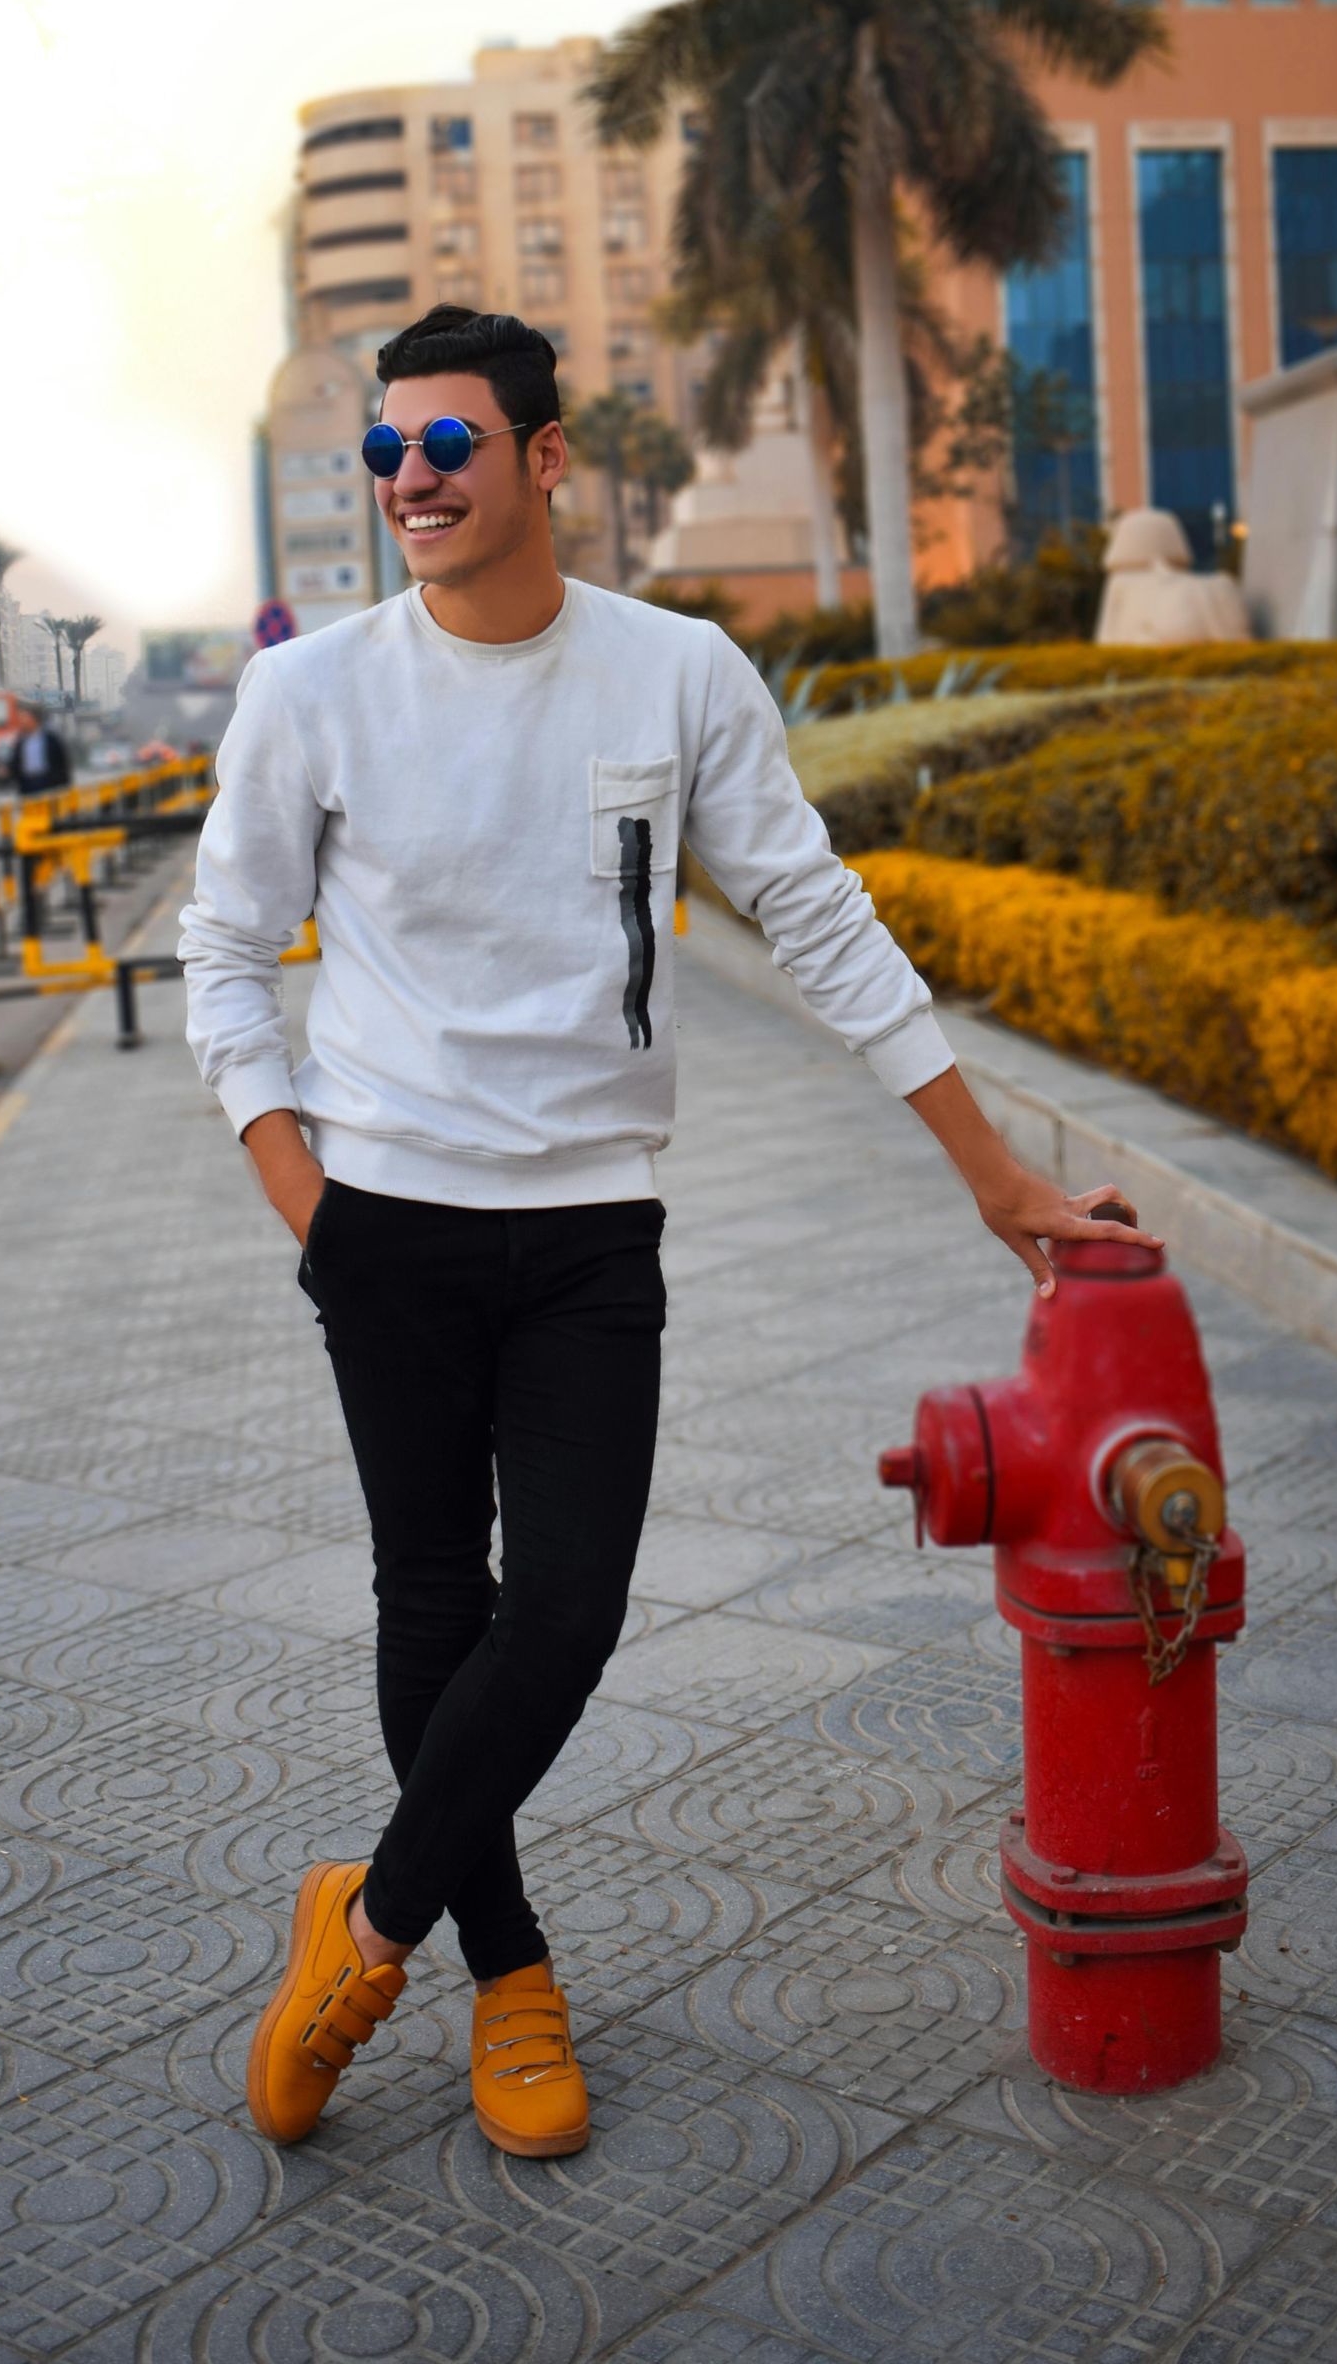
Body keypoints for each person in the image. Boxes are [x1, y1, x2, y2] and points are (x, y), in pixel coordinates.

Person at [177, 304, 1157, 2160]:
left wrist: (995, 1173)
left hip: (586, 1232)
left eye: (450, 446)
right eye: (387, 453)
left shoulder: (678, 673)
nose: (412, 481)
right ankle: (508, 1973)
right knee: (430, 1604)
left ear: (549, 461)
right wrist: (302, 1195)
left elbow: (815, 910)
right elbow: (222, 950)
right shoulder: (313, 694)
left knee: (562, 1612)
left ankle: (362, 1929)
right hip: (383, 1218)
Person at [12, 709, 74, 795]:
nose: (21, 722)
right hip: (28, 784)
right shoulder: (21, 742)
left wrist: (64, 783)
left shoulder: (50, 739)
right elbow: (16, 763)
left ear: (34, 719)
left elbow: (62, 761)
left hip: (48, 782)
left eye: (24, 719)